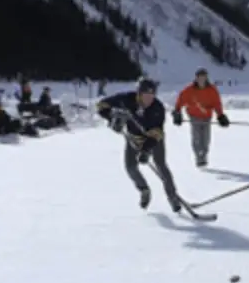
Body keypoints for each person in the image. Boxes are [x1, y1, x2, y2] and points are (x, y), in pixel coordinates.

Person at [97, 79, 183, 211]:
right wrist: (112, 118)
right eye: (146, 95)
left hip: (154, 139)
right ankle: (144, 190)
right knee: (130, 167)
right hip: (134, 138)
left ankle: (173, 197)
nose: (149, 98)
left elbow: (157, 133)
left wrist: (146, 151)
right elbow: (101, 105)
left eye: (152, 95)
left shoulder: (158, 108)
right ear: (139, 93)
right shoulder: (126, 99)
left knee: (161, 165)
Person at [173, 68, 230, 167]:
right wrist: (177, 113)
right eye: (200, 78)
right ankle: (199, 156)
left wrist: (220, 115)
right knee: (197, 137)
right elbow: (180, 100)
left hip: (206, 117)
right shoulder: (189, 90)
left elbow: (217, 103)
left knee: (205, 138)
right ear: (196, 78)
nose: (201, 80)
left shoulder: (212, 90)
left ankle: (204, 155)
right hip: (194, 116)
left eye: (204, 78)